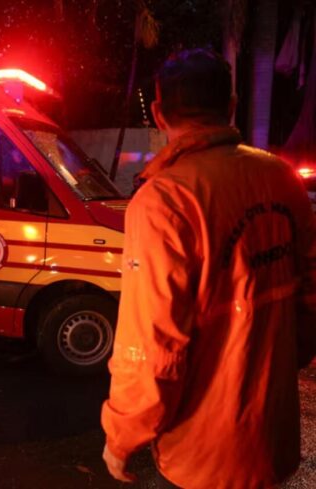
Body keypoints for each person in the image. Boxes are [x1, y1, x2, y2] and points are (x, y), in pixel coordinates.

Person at [100, 48, 316, 488]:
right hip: (271, 440)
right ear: (231, 105)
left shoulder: (165, 200)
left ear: (159, 114)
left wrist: (122, 435)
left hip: (203, 455)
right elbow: (309, 298)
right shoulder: (281, 178)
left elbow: (153, 342)